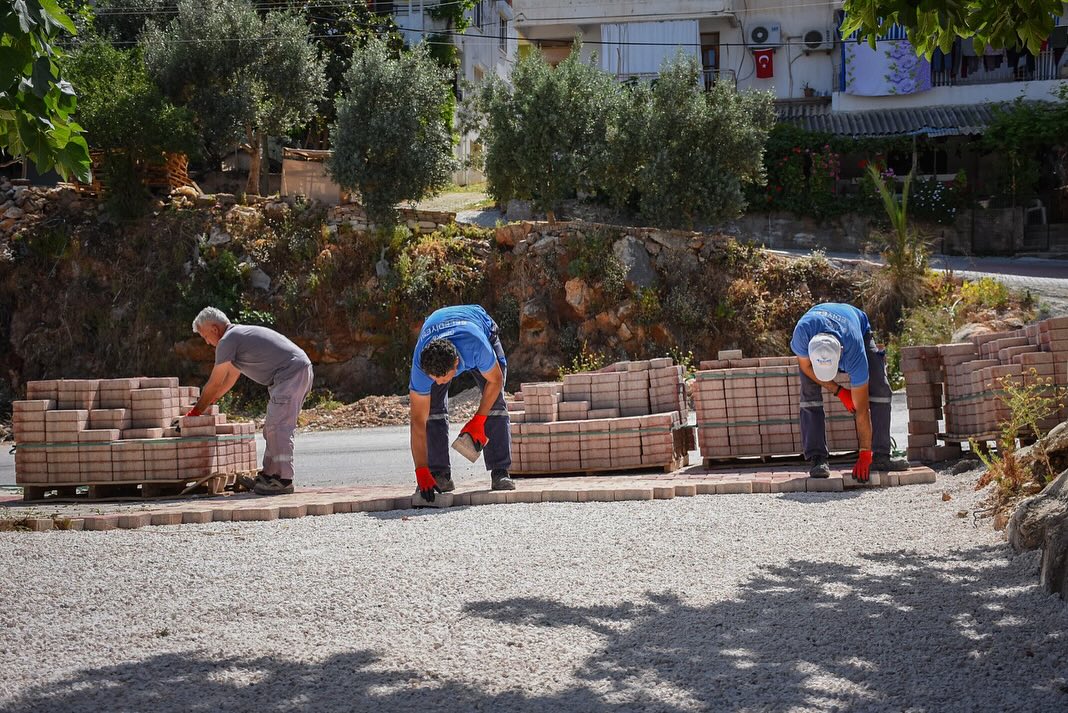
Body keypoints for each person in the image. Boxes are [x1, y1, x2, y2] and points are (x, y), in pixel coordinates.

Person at [189, 307, 313, 495]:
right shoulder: (237, 337)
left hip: (290, 374)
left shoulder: (228, 340)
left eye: (205, 336)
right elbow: (229, 378)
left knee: (279, 427)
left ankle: (284, 480)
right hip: (294, 372)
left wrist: (195, 412)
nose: (207, 342)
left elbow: (214, 382)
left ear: (214, 329)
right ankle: (270, 475)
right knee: (271, 428)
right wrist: (211, 401)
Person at [790, 303, 909, 482]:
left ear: (841, 354)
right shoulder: (802, 333)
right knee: (809, 394)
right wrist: (839, 391)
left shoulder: (854, 352)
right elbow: (806, 367)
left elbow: (861, 410)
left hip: (857, 326)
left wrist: (865, 453)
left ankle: (881, 456)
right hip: (817, 323)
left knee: (880, 389)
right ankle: (818, 459)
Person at [409, 305, 514, 502]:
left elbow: (496, 380)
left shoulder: (476, 347)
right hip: (436, 326)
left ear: (457, 364)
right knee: (431, 410)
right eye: (434, 378)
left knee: (495, 404)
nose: (439, 383)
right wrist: (421, 469)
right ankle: (438, 475)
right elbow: (417, 422)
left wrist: (479, 420)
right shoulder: (421, 367)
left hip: (480, 326)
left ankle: (500, 472)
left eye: (443, 378)